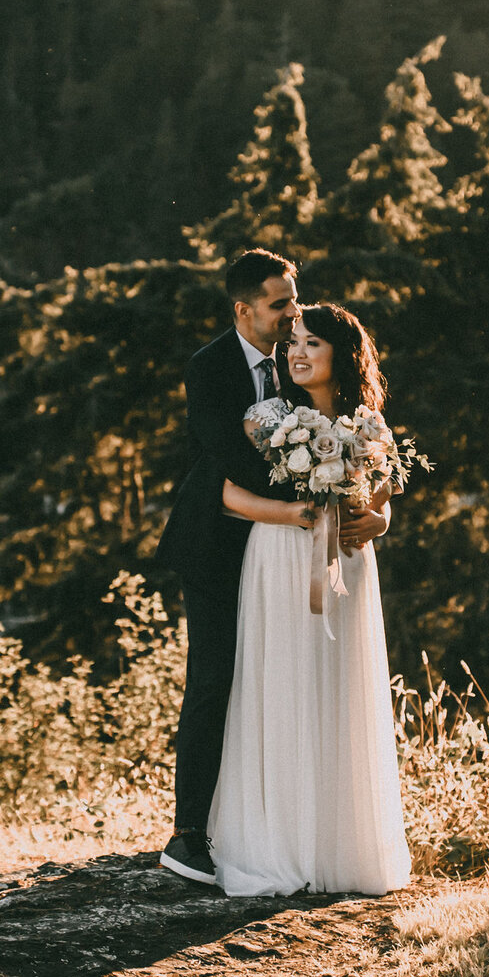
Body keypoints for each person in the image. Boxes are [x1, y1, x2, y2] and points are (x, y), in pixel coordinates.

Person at [156, 252, 384, 885]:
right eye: (282, 304)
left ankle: (292, 828)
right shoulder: (211, 369)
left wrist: (369, 505)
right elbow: (225, 462)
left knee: (286, 680)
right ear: (244, 309)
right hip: (216, 545)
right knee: (215, 678)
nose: (294, 313)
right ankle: (191, 836)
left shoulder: (295, 368)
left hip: (282, 552)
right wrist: (312, 492)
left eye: (295, 300)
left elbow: (364, 447)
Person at [204, 303, 413, 896]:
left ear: (340, 356)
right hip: (279, 557)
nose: (295, 353)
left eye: (311, 343)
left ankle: (339, 847)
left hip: (347, 562)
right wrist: (298, 514)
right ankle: (280, 843)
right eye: (292, 342)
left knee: (339, 687)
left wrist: (380, 522)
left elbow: (384, 494)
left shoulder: (368, 425)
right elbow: (226, 494)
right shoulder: (266, 418)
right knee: (284, 685)